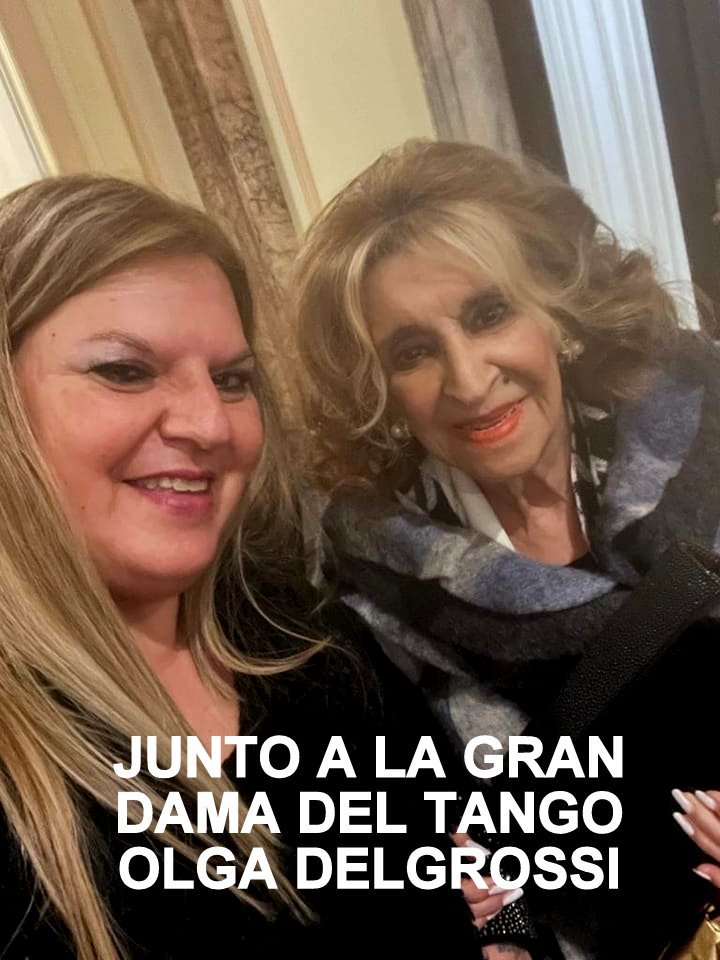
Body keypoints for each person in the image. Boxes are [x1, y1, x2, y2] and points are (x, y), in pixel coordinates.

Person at [0, 173, 532, 959]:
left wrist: (513, 938)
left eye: (232, 380)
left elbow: (477, 849)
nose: (210, 424)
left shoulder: (310, 643)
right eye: (124, 370)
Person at [292, 138, 720, 959]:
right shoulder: (372, 606)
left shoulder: (706, 442)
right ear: (378, 389)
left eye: (489, 314)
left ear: (557, 308)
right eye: (412, 351)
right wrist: (506, 938)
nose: (466, 379)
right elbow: (465, 870)